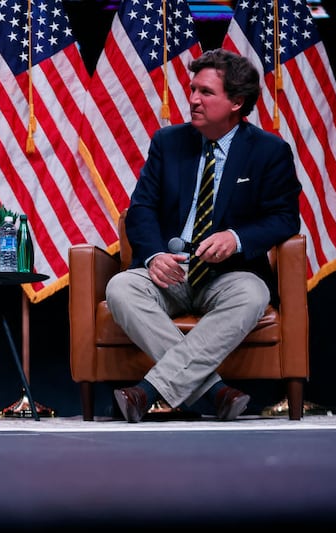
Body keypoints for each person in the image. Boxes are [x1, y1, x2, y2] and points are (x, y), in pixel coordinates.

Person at [105, 48, 302, 423]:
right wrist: (153, 257)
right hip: (170, 271)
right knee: (120, 288)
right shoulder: (168, 142)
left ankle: (147, 392)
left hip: (228, 274)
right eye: (192, 89)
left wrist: (237, 238)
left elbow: (284, 218)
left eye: (205, 92)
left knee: (253, 294)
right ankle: (214, 393)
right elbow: (142, 208)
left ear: (237, 102)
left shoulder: (269, 151)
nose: (193, 99)